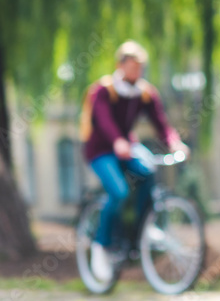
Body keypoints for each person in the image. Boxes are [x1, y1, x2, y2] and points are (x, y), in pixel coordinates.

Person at [79, 40, 189, 282]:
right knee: (118, 191)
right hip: (101, 150)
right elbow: (104, 120)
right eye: (132, 67)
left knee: (148, 172)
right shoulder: (103, 91)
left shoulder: (145, 93)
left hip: (127, 147)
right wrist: (118, 140)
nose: (136, 72)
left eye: (140, 68)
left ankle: (142, 230)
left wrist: (174, 142)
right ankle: (101, 244)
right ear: (121, 65)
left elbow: (161, 123)